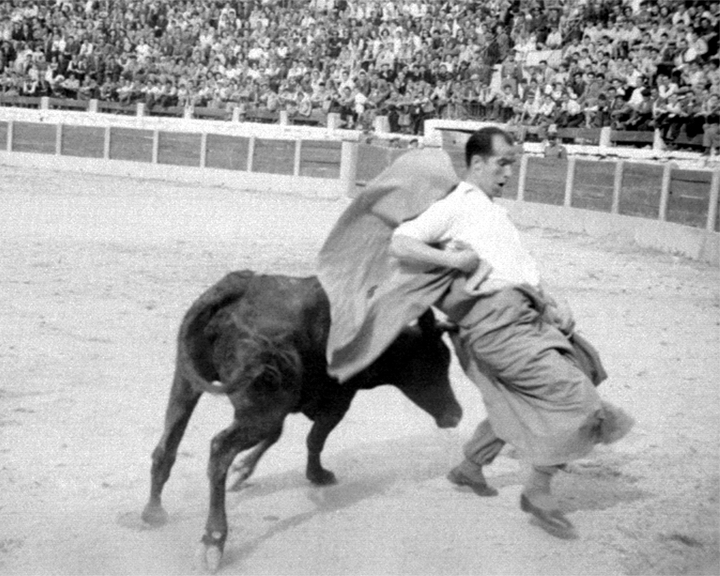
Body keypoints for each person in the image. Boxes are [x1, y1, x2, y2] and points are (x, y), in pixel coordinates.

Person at [387, 127, 633, 540]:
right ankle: (537, 491)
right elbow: (401, 242)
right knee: (582, 401)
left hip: (528, 317)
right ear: (477, 163)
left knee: (557, 381)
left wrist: (552, 303)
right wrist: (458, 262)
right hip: (499, 327)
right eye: (501, 162)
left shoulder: (492, 210)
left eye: (512, 164)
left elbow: (515, 271)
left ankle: (470, 466)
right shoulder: (457, 204)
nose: (507, 172)